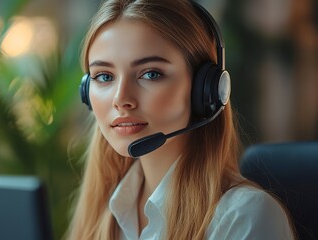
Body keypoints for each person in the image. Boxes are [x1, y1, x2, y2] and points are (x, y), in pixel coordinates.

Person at [68, 0, 295, 239]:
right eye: (104, 76)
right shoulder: (101, 214)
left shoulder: (243, 217)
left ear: (205, 89)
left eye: (150, 74)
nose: (121, 98)